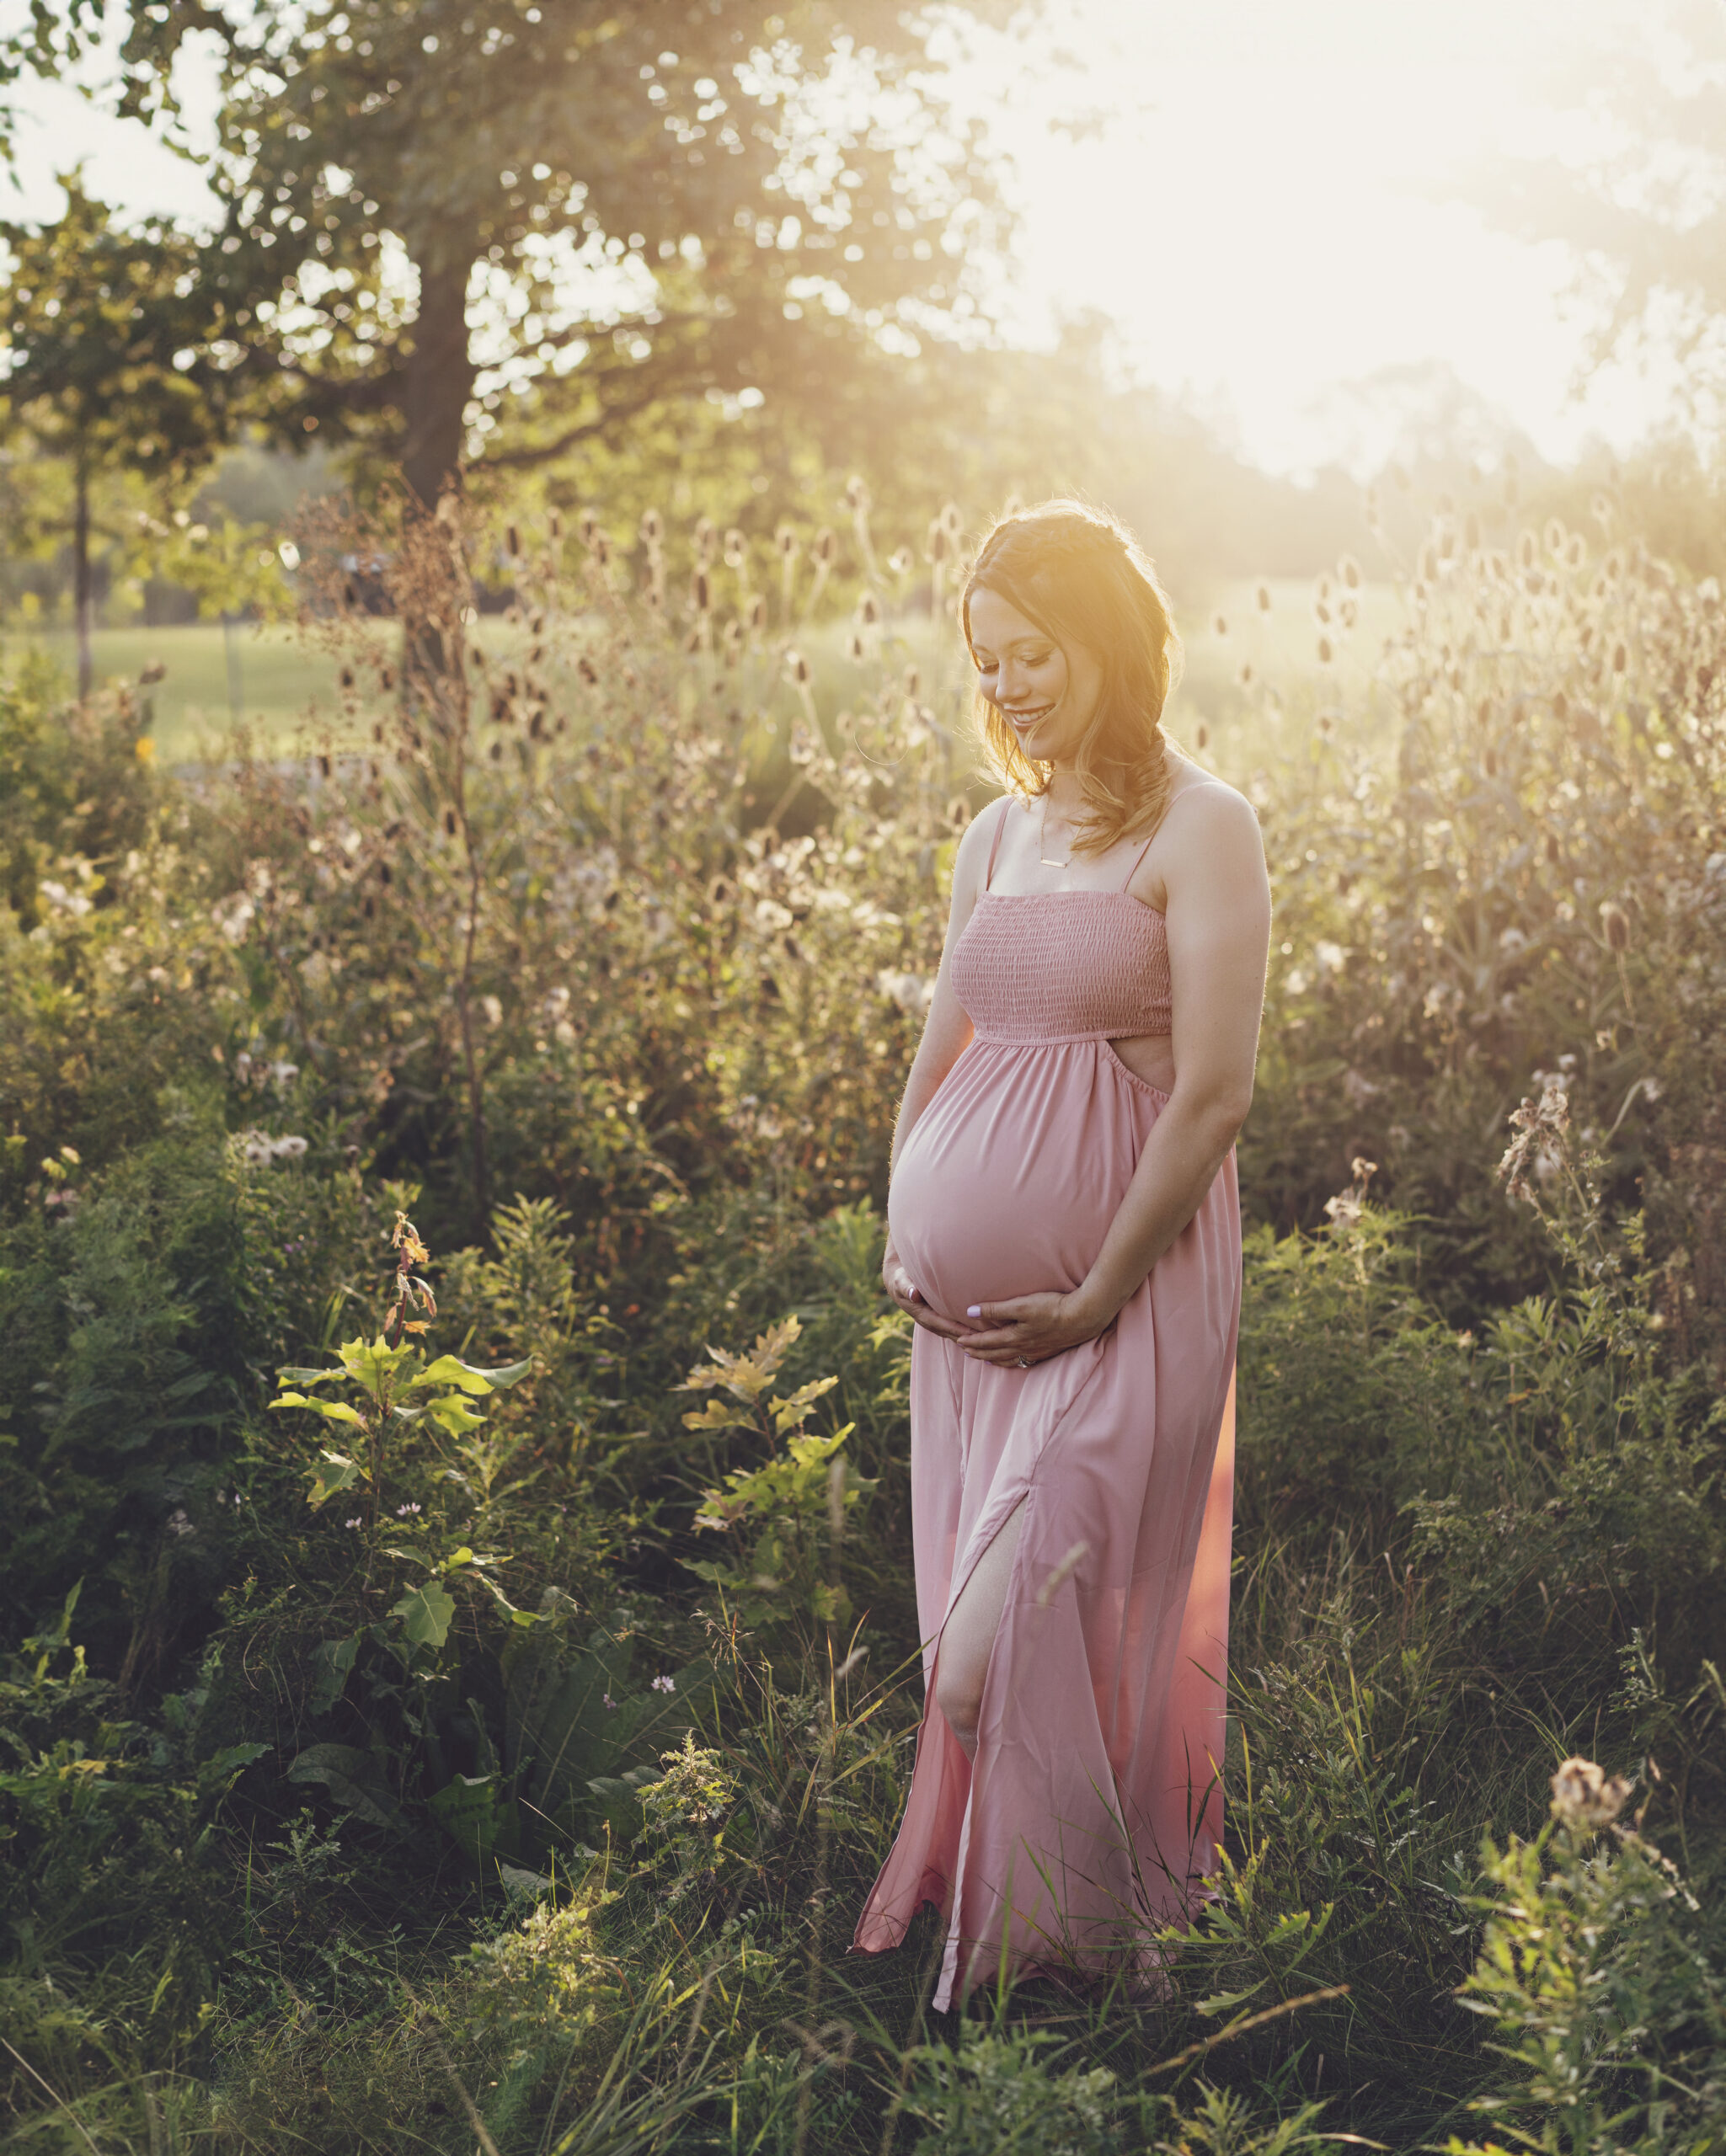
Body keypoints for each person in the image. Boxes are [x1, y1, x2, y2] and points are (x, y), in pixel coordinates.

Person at [852, 499, 1271, 2009]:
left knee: (984, 1656)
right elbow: (941, 1048)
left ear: (1106, 642)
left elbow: (1214, 1091)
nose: (1008, 685)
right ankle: (1074, 1963)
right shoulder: (992, 834)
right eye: (986, 661)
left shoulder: (1200, 825)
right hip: (967, 1333)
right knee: (997, 1649)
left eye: (1031, 653)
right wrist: (908, 1215)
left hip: (1126, 1300)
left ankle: (1118, 1942)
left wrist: (1094, 1286)